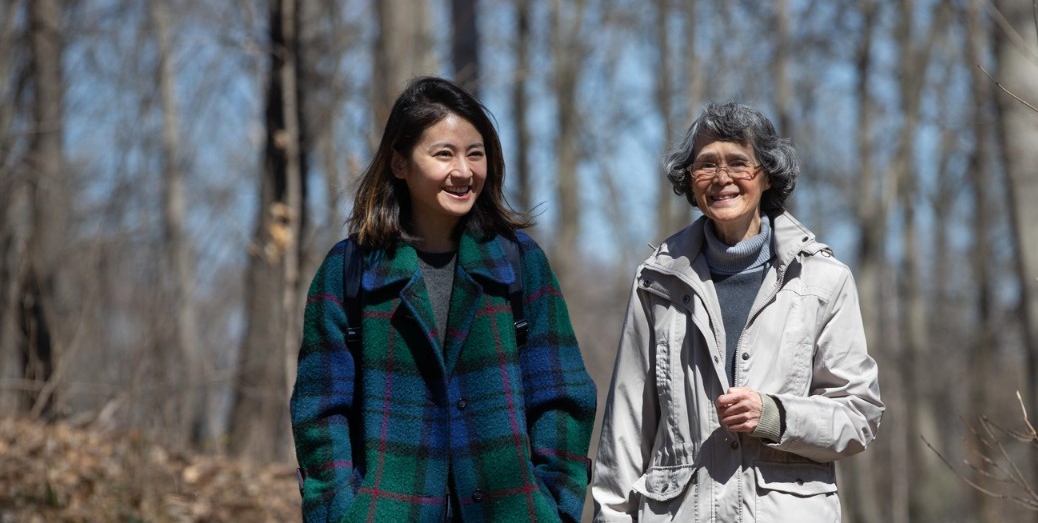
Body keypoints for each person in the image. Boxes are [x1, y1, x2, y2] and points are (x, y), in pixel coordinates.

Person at [290, 76, 596, 522]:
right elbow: (319, 412)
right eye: (443, 154)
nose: (464, 171)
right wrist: (341, 511)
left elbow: (562, 396)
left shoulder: (518, 262)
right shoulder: (348, 271)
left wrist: (553, 505)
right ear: (399, 162)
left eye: (476, 153)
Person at [592, 103, 884, 521]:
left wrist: (776, 416)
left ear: (766, 175)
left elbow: (859, 416)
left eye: (738, 163)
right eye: (706, 165)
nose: (722, 178)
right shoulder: (657, 281)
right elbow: (625, 427)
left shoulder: (823, 280)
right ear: (690, 182)